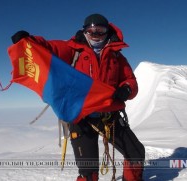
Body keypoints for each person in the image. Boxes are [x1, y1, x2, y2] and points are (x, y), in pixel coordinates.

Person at [12, 13, 145, 181]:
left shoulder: (117, 56)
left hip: (109, 114)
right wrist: (29, 40)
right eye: (91, 31)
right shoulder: (72, 49)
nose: (95, 35)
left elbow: (130, 81)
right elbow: (48, 47)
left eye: (100, 31)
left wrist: (126, 89)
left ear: (107, 31)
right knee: (88, 172)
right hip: (81, 116)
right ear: (84, 31)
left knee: (136, 153)